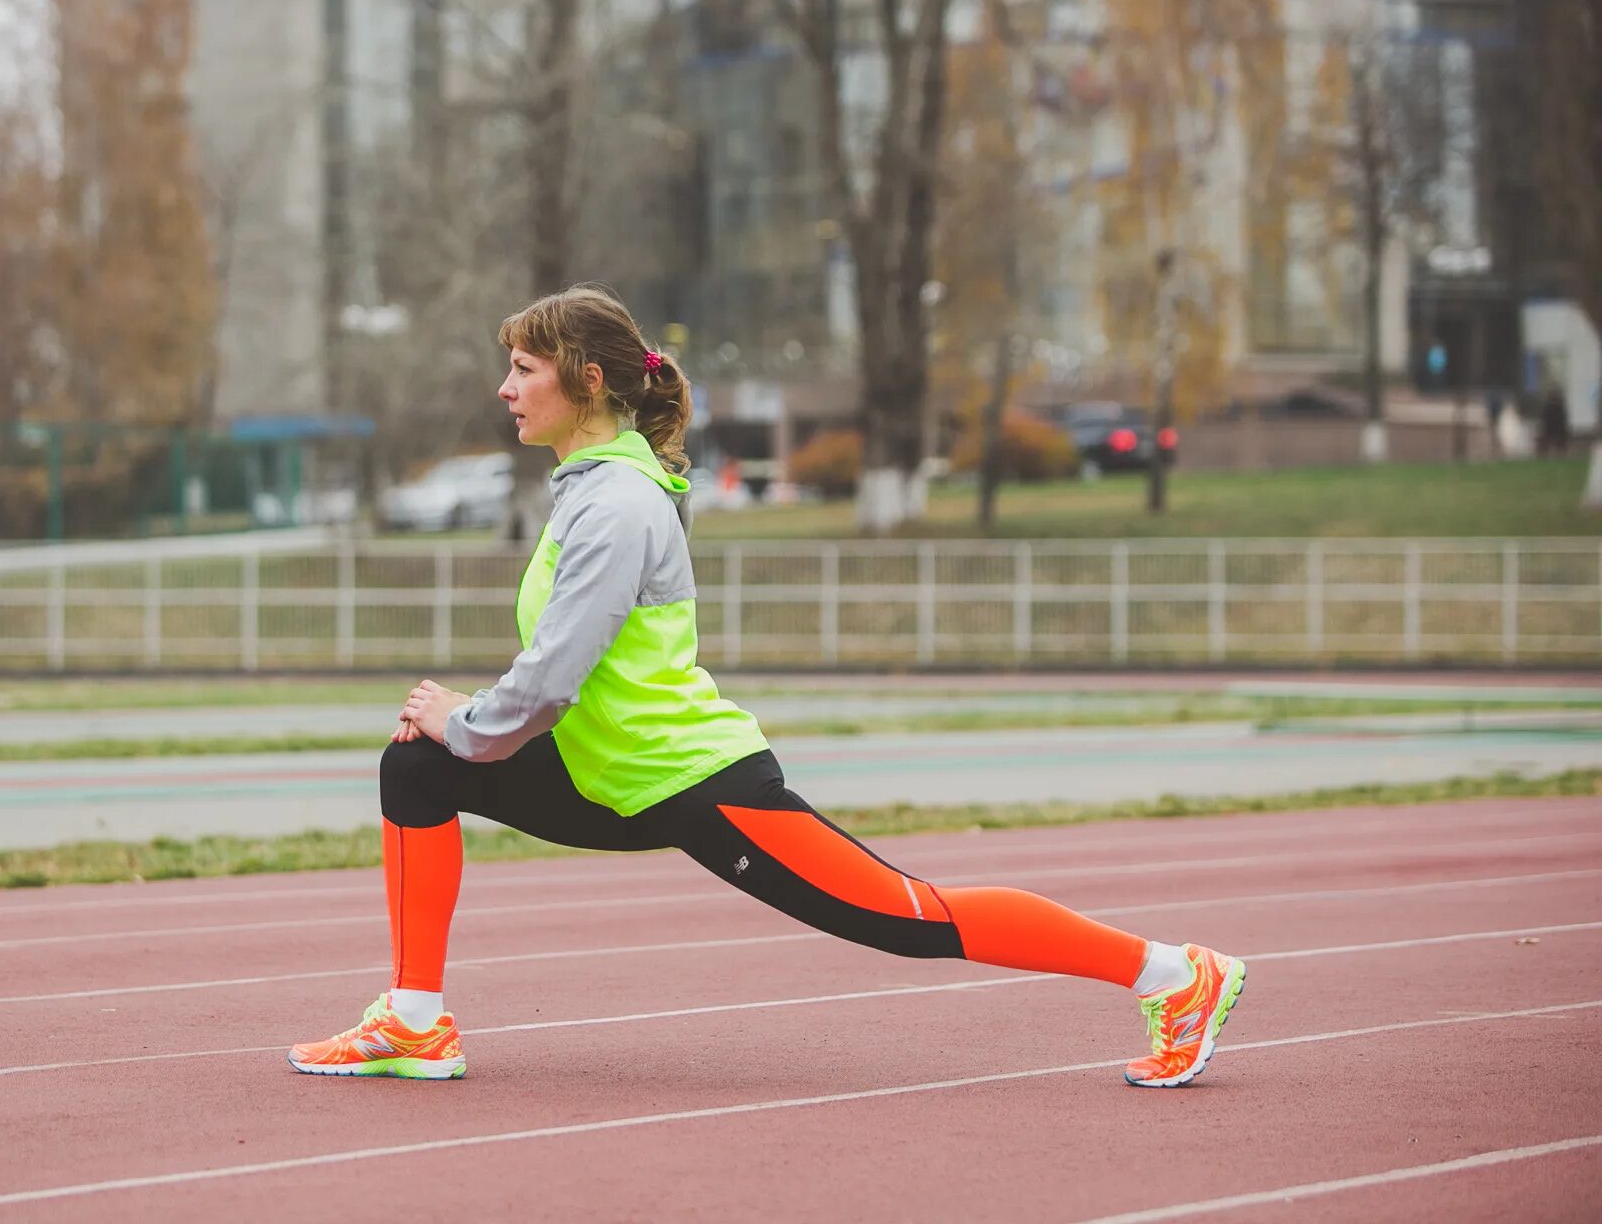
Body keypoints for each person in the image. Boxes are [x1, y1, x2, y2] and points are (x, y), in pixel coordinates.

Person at [288, 285, 1246, 1088]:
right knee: (414, 769)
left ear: (587, 383)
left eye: (524, 370)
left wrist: (465, 719)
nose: (504, 388)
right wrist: (453, 735)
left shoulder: (617, 503)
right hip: (605, 774)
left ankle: (1172, 974)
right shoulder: (592, 484)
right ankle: (415, 1019)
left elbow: (551, 680)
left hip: (694, 781)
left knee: (910, 919)